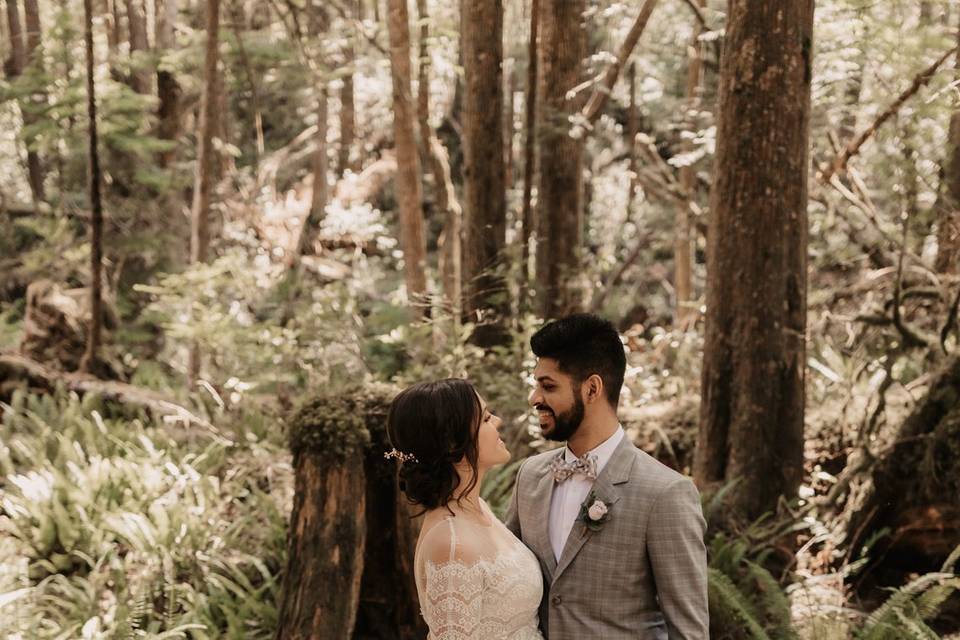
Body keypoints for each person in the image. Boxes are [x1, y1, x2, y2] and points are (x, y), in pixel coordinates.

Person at [505, 314, 709, 639]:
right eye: (535, 385)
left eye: (547, 386)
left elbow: (688, 631)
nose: (534, 398)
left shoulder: (666, 494)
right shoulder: (530, 476)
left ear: (592, 389)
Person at [386, 378, 545, 640]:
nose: (497, 422)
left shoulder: (479, 508)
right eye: (485, 419)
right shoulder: (450, 545)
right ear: (452, 442)